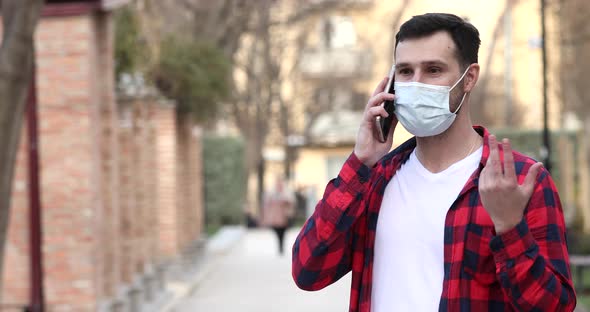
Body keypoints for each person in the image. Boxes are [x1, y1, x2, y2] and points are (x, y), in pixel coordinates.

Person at [291, 13, 576, 312]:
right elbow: (309, 270)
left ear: (469, 78)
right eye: (405, 71)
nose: (416, 84)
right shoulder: (375, 179)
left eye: (433, 70)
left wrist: (509, 227)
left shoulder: (519, 182)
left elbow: (554, 307)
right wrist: (360, 163)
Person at [262, 177, 295, 255]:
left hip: (284, 217)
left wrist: (284, 201)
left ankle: (281, 247)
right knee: (278, 232)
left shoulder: (286, 192)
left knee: (283, 232)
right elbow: (267, 204)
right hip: (275, 218)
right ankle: (280, 247)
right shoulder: (271, 192)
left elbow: (291, 202)